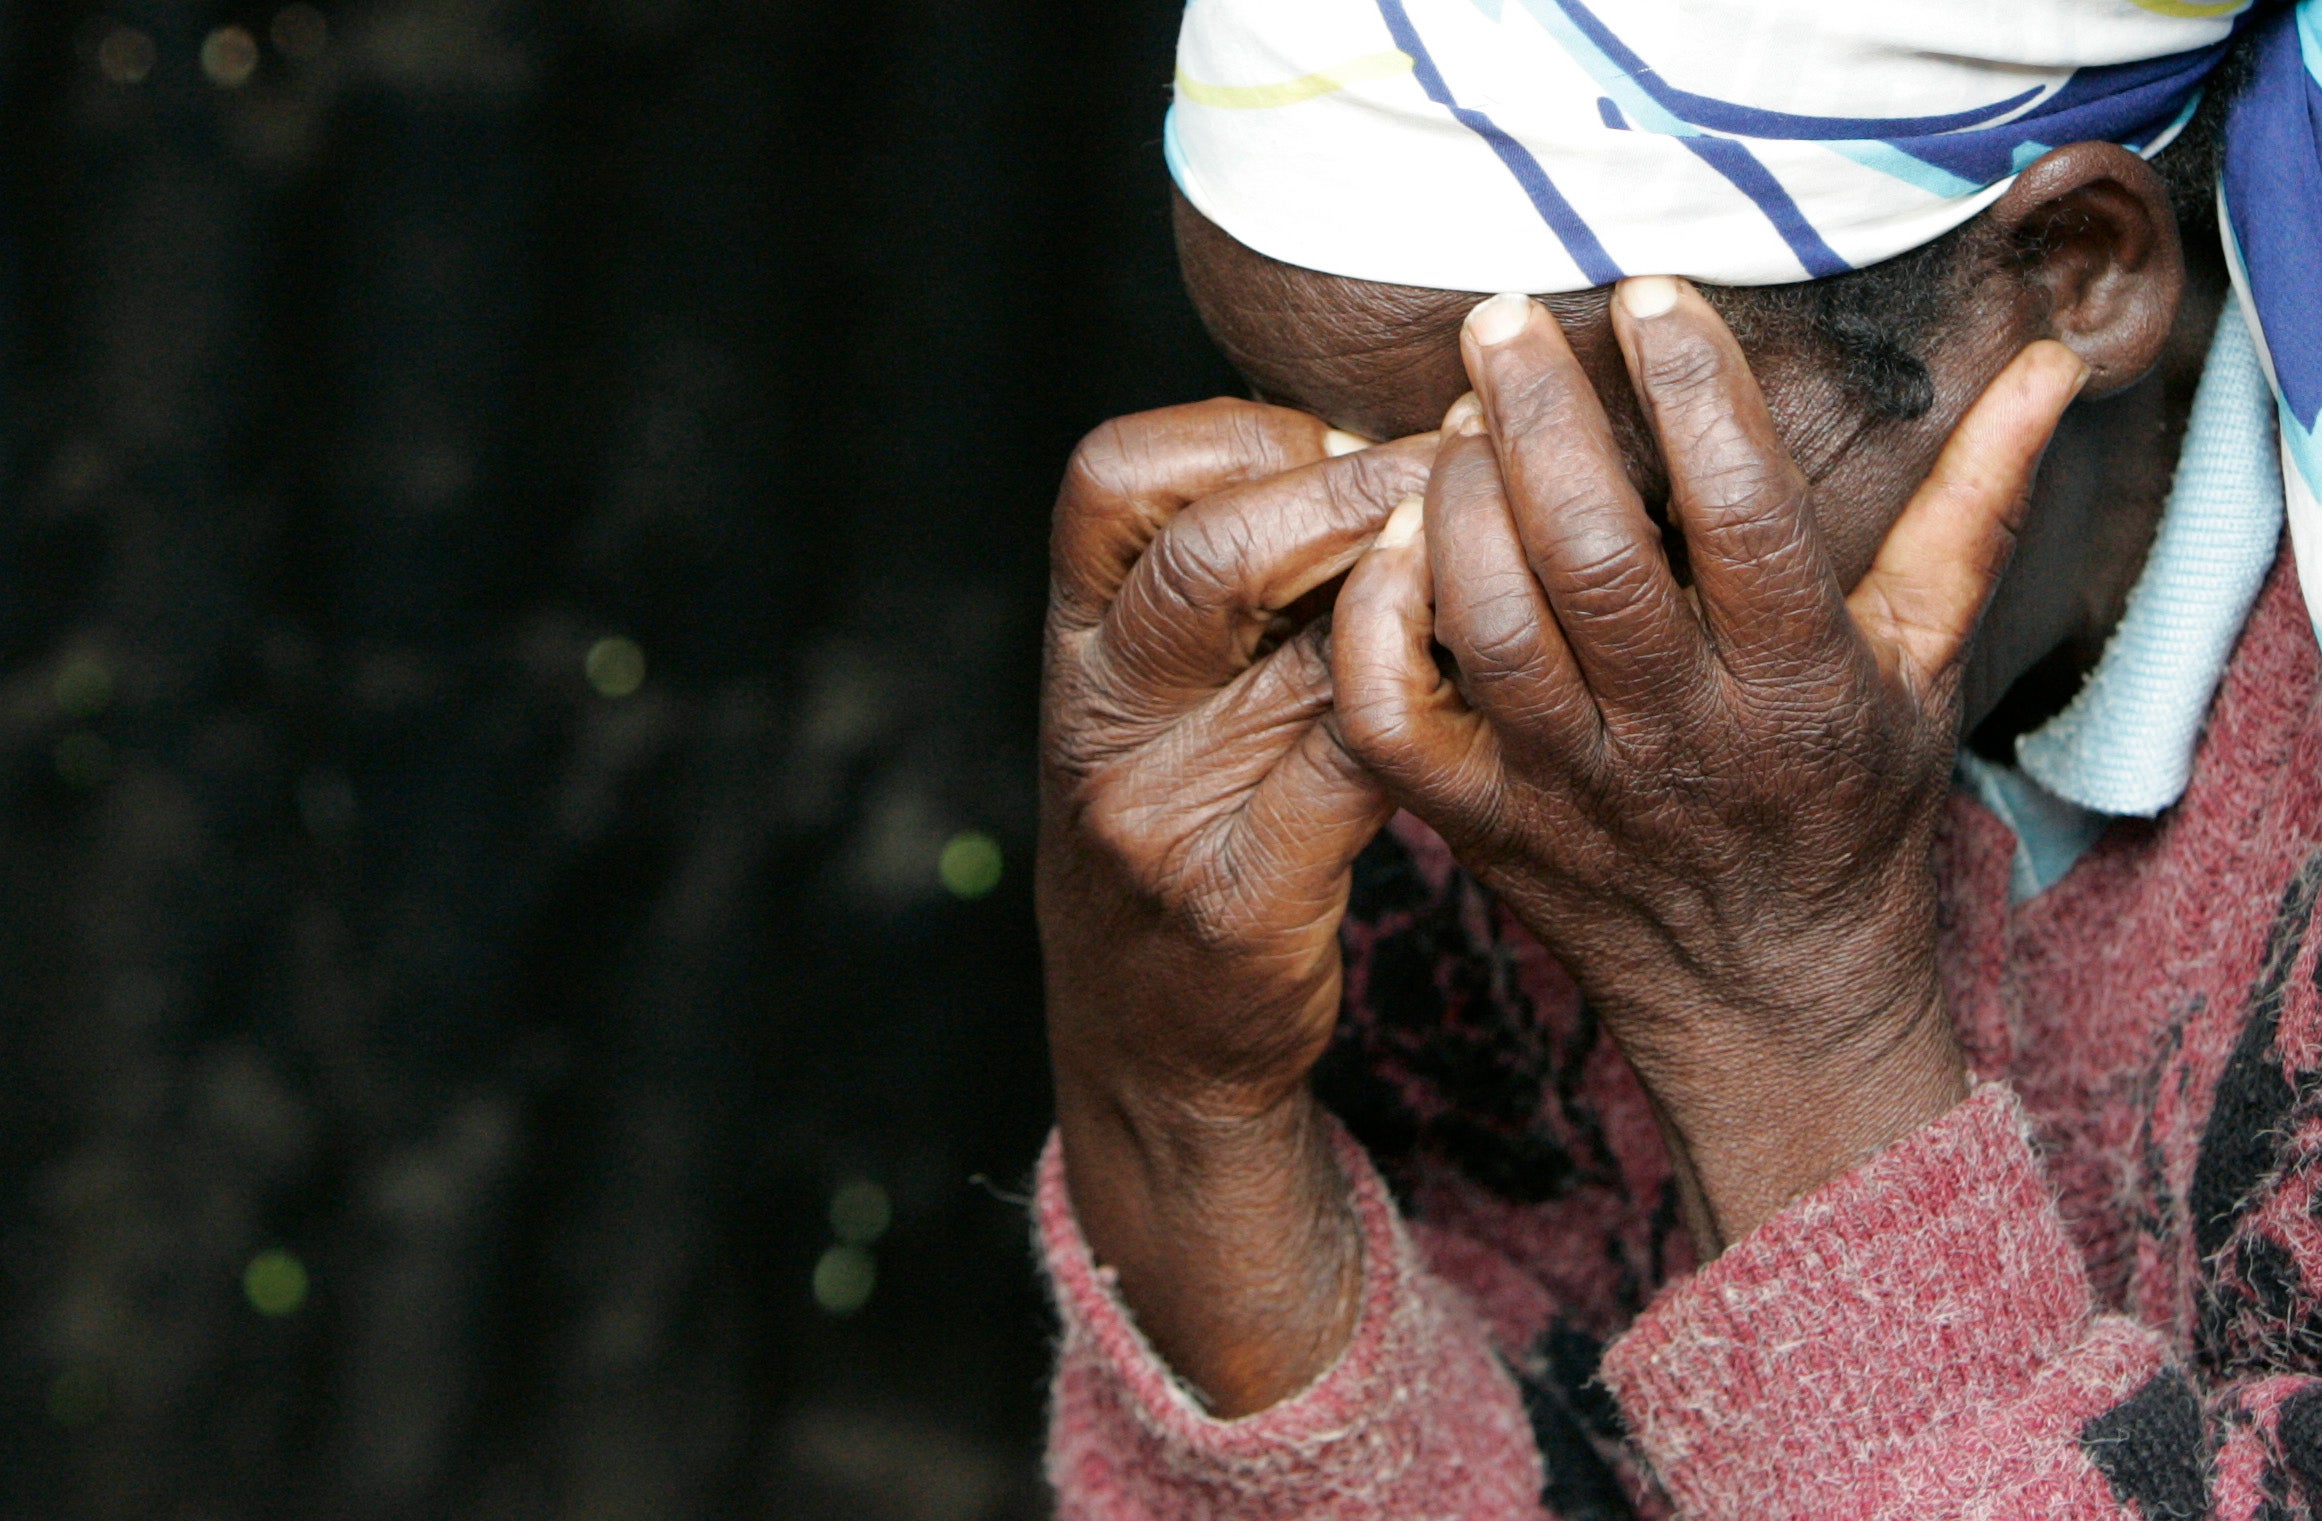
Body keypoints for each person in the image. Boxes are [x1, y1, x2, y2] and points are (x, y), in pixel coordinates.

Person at [1032, 1, 2322, 1516]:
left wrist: (1791, 1025)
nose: (1431, 629)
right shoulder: (1465, 742)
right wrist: (1181, 1125)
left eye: (1591, 504)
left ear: (2074, 270)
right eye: (1334, 479)